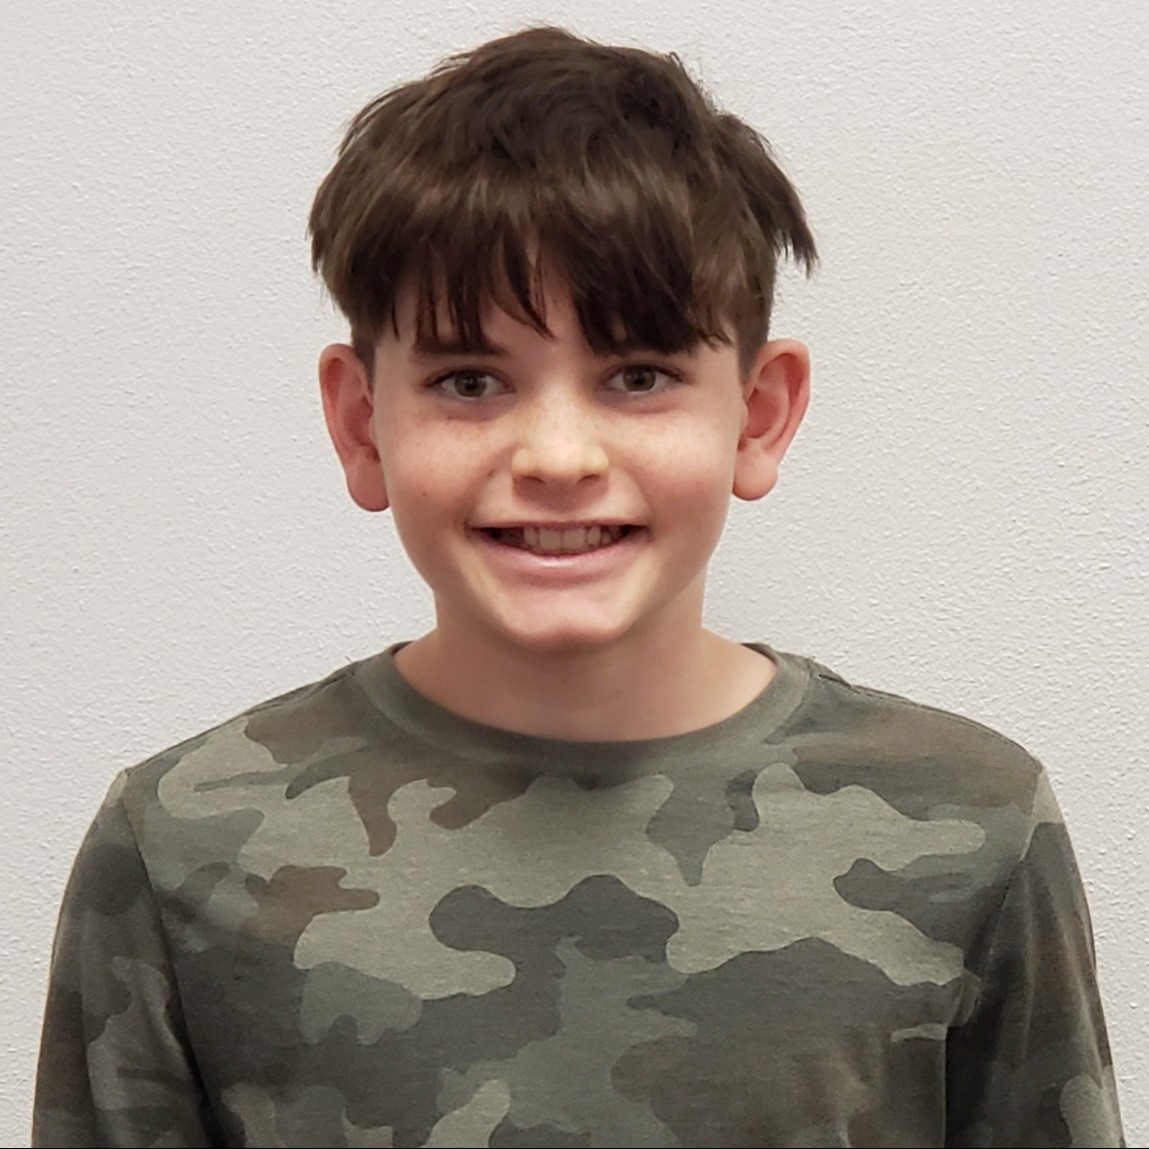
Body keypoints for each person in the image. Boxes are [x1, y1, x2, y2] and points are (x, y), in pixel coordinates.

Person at [33, 25, 1123, 1149]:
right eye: (470, 379)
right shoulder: (178, 847)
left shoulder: (976, 822)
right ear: (363, 425)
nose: (557, 455)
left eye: (638, 374)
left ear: (758, 415)